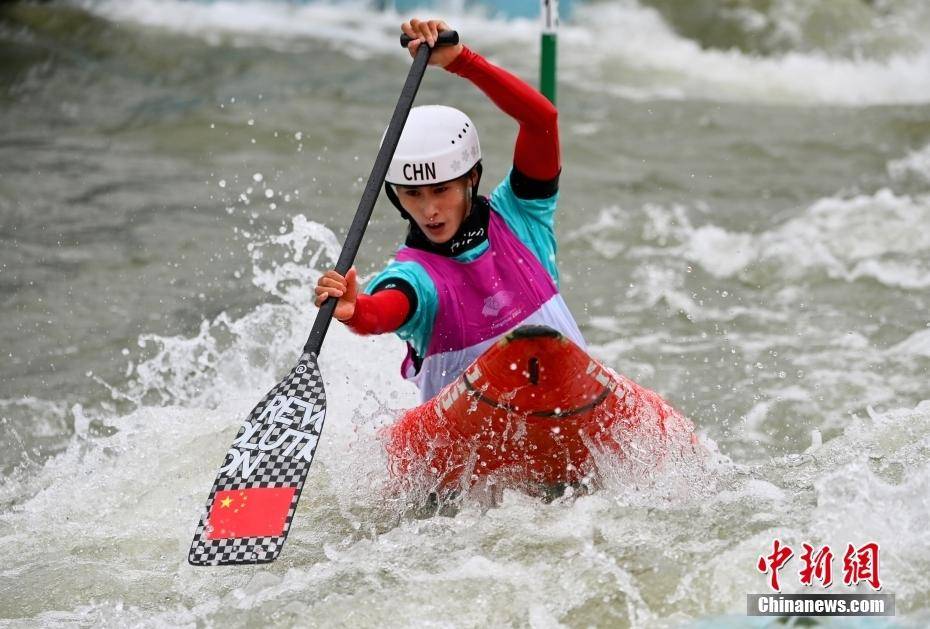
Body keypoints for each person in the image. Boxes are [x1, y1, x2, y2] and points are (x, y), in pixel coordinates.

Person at [315, 18, 586, 401]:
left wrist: (462, 60)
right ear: (395, 196)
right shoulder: (414, 276)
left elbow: (541, 120)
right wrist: (353, 311)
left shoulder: (521, 215)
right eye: (412, 194)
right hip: (468, 435)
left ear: (471, 177)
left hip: (568, 401)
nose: (429, 210)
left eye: (441, 190)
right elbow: (382, 311)